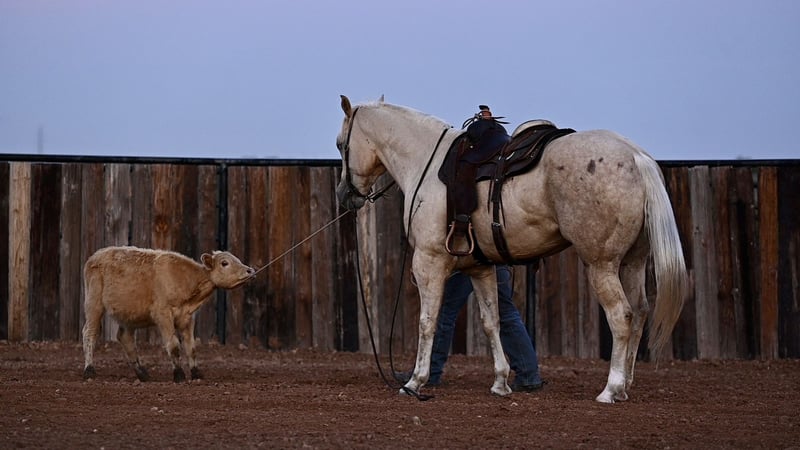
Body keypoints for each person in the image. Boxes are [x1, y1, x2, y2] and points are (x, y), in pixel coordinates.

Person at [399, 265, 545, 392]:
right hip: (492, 258)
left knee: (444, 311)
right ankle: (528, 373)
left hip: (468, 258)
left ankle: (430, 370)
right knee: (504, 311)